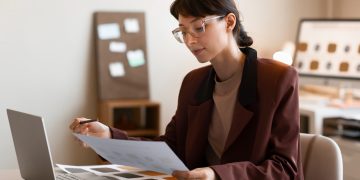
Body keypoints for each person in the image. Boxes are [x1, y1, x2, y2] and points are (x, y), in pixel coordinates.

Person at [69, 0, 303, 179]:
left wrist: (215, 174)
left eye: (199, 28)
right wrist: (109, 137)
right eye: (183, 31)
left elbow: (285, 169)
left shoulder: (278, 79)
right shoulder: (194, 82)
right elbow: (171, 149)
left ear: (229, 22)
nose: (190, 40)